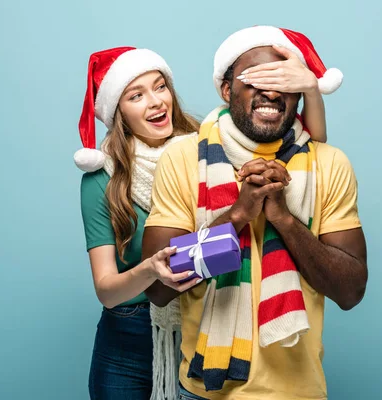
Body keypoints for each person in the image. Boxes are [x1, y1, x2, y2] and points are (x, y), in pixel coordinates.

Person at [75, 44, 332, 399]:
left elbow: (309, 152)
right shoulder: (103, 176)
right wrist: (151, 269)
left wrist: (310, 91)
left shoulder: (208, 143)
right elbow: (106, 290)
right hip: (130, 335)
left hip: (205, 321)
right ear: (117, 110)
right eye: (137, 95)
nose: (155, 102)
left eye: (160, 86)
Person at [141, 26, 368, 400]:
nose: (271, 91)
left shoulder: (330, 164)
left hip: (298, 391)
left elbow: (350, 291)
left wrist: (283, 217)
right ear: (227, 90)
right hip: (204, 392)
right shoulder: (183, 159)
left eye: (283, 79)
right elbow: (156, 287)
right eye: (256, 78)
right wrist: (237, 215)